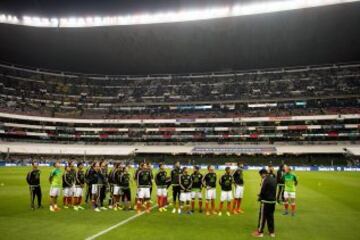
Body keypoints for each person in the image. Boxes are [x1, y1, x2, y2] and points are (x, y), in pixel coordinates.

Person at [252, 169, 277, 238]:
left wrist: (260, 197)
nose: (261, 176)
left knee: (262, 217)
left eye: (261, 175)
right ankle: (272, 232)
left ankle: (260, 232)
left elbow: (262, 190)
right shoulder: (274, 178)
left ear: (263, 174)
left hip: (266, 201)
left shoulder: (264, 179)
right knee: (270, 216)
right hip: (273, 201)